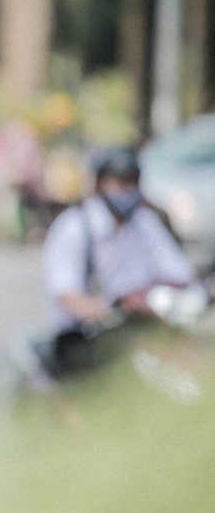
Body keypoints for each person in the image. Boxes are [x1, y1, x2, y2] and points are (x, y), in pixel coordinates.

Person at [41, 147, 197, 376]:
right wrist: (107, 312)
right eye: (119, 184)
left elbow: (179, 273)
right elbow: (67, 294)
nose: (127, 192)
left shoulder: (145, 222)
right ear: (99, 185)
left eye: (131, 184)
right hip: (88, 337)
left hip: (142, 330)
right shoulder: (75, 226)